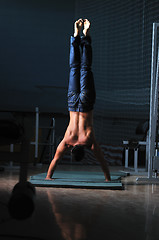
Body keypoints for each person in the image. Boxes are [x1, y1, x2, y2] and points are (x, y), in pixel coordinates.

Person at [46, 19, 111, 181]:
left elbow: (102, 161)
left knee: (85, 68)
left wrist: (108, 178)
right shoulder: (67, 141)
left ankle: (85, 36)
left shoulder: (89, 141)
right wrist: (48, 176)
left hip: (86, 103)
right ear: (72, 149)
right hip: (72, 103)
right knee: (74, 68)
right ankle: (75, 36)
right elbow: (55, 160)